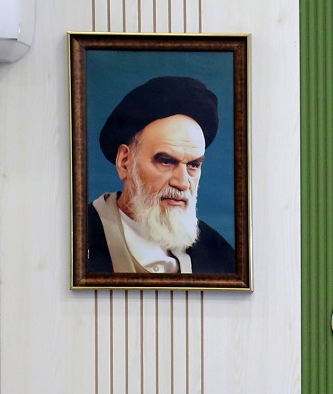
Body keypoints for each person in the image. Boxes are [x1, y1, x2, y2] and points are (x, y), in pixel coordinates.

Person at [86, 75, 236, 274]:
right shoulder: (79, 237)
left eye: (193, 165)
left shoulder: (219, 255)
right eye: (166, 161)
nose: (182, 183)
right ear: (125, 162)